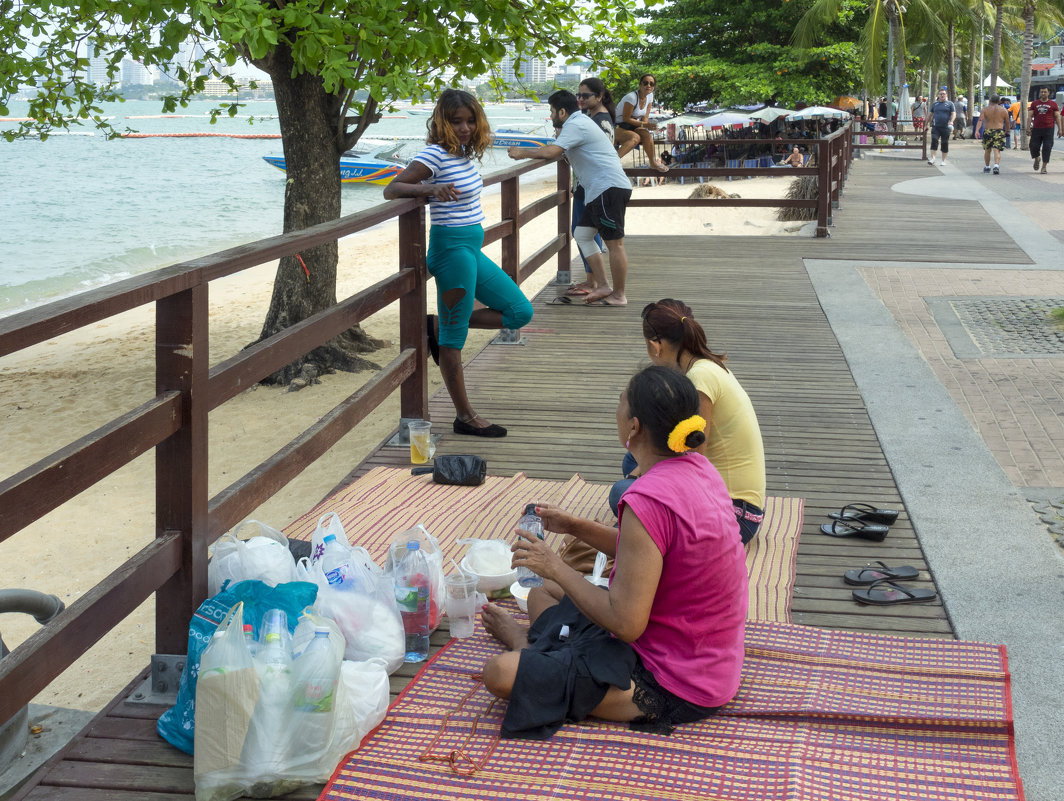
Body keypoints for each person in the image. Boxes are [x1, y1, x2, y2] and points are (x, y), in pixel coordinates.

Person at [479, 365, 748, 739]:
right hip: (709, 657)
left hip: (676, 681)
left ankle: (527, 645)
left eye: (621, 403)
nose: (616, 411)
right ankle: (547, 651)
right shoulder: (700, 468)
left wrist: (555, 565)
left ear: (634, 427)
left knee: (499, 673)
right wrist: (573, 526)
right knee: (543, 593)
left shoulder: (645, 499)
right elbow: (647, 552)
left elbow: (626, 624)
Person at [383, 89, 532, 437]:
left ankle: (435, 327)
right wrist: (430, 190)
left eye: (469, 121)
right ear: (442, 122)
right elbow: (393, 189)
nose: (464, 128)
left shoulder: (462, 153)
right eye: (456, 121)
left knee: (520, 311)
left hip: (471, 249)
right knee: (455, 339)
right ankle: (465, 416)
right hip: (450, 253)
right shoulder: (433, 156)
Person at [608, 299, 766, 544]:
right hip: (735, 501)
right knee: (633, 459)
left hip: (734, 517)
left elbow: (694, 457)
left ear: (655, 346)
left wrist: (644, 480)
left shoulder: (699, 379)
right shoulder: (706, 364)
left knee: (622, 492)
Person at [509, 90, 632, 307]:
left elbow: (551, 152)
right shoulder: (579, 122)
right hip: (600, 189)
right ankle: (603, 285)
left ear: (563, 112)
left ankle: (619, 295)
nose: (551, 115)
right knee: (583, 234)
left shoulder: (576, 124)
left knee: (615, 244)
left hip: (608, 188)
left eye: (552, 111)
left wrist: (522, 153)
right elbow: (562, 150)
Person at [565, 78, 617, 298]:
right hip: (588, 184)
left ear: (599, 96)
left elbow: (596, 157)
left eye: (585, 96)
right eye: (579, 96)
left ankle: (594, 281)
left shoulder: (600, 121)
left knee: (584, 231)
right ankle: (592, 279)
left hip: (592, 185)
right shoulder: (593, 119)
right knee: (582, 231)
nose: (580, 100)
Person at [614, 74, 669, 172]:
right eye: (645, 83)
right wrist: (644, 125)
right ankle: (612, 162)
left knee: (646, 134)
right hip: (618, 126)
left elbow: (645, 118)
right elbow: (626, 118)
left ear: (653, 87)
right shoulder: (631, 97)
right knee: (635, 138)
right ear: (640, 84)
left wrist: (647, 126)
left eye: (651, 84)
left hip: (632, 125)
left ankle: (653, 163)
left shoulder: (650, 96)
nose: (648, 86)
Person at [1027, 87, 1064, 174]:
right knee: (1033, 146)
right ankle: (1037, 158)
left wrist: (1060, 129)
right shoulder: (1034, 103)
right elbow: (1030, 116)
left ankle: (1044, 167)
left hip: (1049, 129)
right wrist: (1028, 128)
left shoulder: (1053, 104)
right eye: (1041, 92)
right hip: (1036, 129)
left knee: (1047, 148)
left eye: (1045, 92)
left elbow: (1058, 117)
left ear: (1049, 93)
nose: (1043, 93)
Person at [977, 94, 1008, 174]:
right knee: (997, 150)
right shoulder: (1004, 110)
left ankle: (987, 167)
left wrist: (977, 130)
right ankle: (996, 166)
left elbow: (980, 120)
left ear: (990, 101)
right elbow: (1007, 123)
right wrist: (1007, 131)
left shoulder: (985, 109)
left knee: (987, 150)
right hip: (999, 131)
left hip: (988, 131)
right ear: (999, 101)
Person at [927, 89, 955, 166]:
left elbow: (953, 114)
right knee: (934, 141)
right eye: (941, 94)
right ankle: (933, 158)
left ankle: (943, 160)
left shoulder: (950, 104)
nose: (942, 95)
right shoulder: (935, 104)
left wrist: (951, 121)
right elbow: (930, 114)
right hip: (936, 127)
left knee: (944, 143)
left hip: (946, 127)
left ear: (946, 95)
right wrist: (926, 124)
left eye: (944, 94)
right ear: (938, 95)